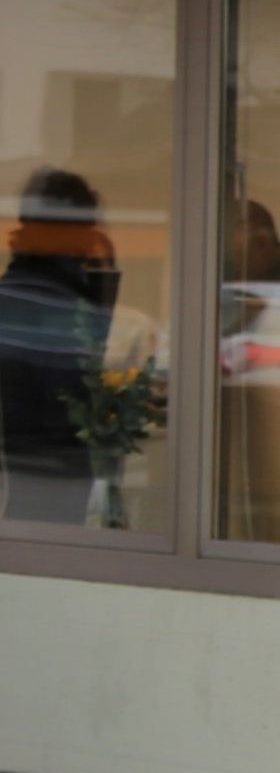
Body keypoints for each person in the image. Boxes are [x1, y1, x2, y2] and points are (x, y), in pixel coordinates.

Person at [0, 168, 120, 524]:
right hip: (48, 467)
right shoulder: (57, 304)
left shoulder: (27, 294)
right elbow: (68, 394)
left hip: (34, 468)